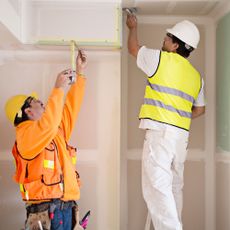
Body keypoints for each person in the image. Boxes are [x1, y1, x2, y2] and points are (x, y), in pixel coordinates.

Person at [126, 13, 205, 230]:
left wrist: (132, 27)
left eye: (167, 37)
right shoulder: (196, 76)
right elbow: (200, 109)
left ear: (175, 44)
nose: (164, 40)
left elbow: (133, 48)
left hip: (160, 135)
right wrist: (177, 115)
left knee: (157, 189)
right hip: (180, 140)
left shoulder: (160, 59)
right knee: (173, 188)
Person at [4, 50, 87, 230]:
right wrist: (58, 88)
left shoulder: (54, 131)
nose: (43, 104)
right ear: (28, 111)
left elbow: (70, 110)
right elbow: (48, 124)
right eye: (38, 102)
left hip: (67, 209)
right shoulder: (26, 136)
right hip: (47, 212)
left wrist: (80, 75)